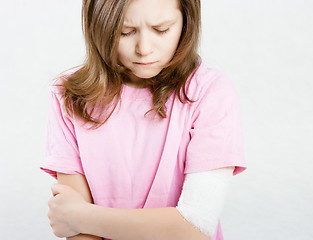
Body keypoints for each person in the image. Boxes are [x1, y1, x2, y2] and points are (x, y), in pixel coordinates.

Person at [40, 0, 246, 239]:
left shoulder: (210, 91)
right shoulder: (68, 95)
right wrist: (77, 220)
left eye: (161, 30)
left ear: (186, 21)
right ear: (99, 25)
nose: (144, 48)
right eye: (125, 32)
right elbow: (79, 231)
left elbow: (196, 226)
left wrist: (83, 218)